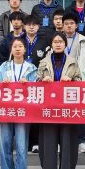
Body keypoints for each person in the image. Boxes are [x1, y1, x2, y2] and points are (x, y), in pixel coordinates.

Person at [37, 32, 82, 169]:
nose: (58, 44)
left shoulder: (72, 62)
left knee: (68, 143)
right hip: (48, 110)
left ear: (65, 44)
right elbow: (36, 83)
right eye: (55, 41)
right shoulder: (43, 62)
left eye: (60, 41)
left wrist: (72, 81)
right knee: (48, 144)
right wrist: (42, 81)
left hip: (67, 110)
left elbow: (80, 81)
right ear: (51, 44)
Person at [0, 37, 38, 169]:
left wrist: (29, 84)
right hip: (5, 110)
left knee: (21, 145)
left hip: (22, 112)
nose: (18, 49)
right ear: (11, 50)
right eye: (15, 46)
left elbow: (37, 89)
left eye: (20, 46)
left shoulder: (31, 68)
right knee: (5, 144)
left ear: (25, 49)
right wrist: (2, 83)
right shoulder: (3, 67)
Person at [62, 13, 85, 154]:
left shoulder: (84, 41)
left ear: (76, 25)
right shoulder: (57, 40)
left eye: (71, 23)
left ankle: (81, 141)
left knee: (80, 112)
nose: (69, 26)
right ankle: (62, 141)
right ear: (62, 26)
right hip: (62, 81)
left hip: (79, 80)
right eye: (66, 23)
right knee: (63, 112)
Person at [22, 15, 49, 153]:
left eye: (34, 24)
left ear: (39, 26)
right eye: (28, 24)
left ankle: (35, 142)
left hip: (39, 82)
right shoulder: (19, 41)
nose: (31, 27)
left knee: (36, 111)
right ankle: (23, 142)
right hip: (21, 81)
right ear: (24, 26)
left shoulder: (45, 42)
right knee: (23, 111)